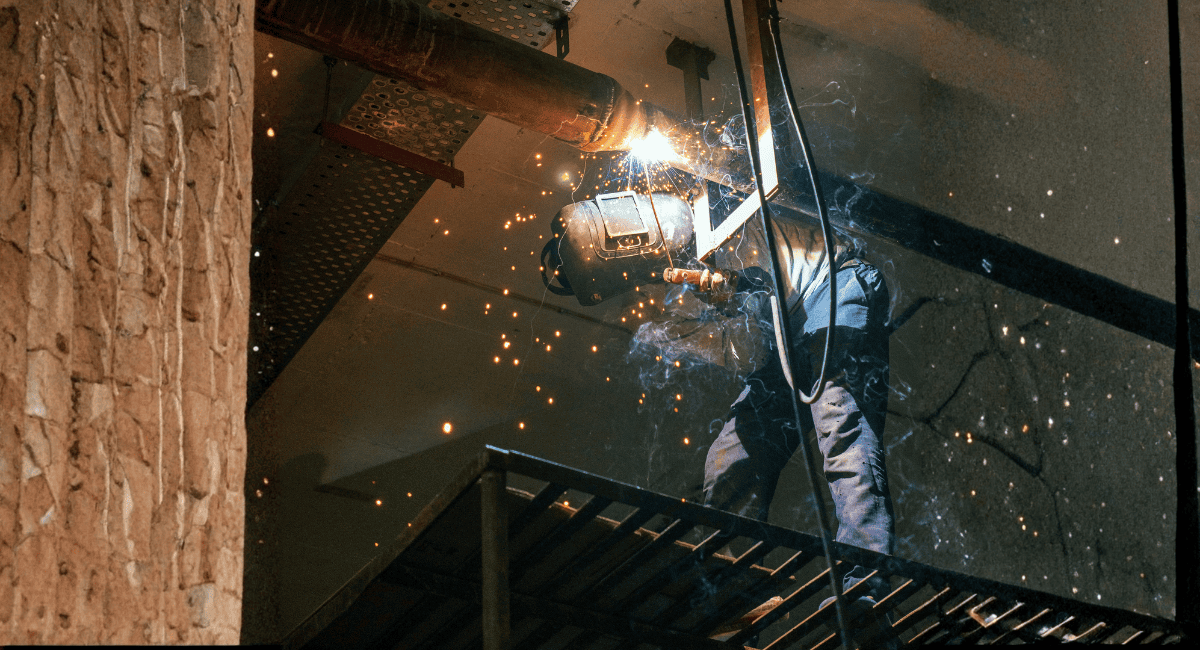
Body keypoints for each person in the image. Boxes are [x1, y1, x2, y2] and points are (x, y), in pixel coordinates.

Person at [702, 212, 896, 613]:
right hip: (785, 326)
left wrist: (738, 287)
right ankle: (719, 578)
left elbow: (758, 253)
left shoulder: (699, 207)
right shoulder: (667, 302)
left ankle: (864, 586)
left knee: (841, 424)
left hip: (834, 280)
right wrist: (736, 303)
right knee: (737, 448)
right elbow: (747, 350)